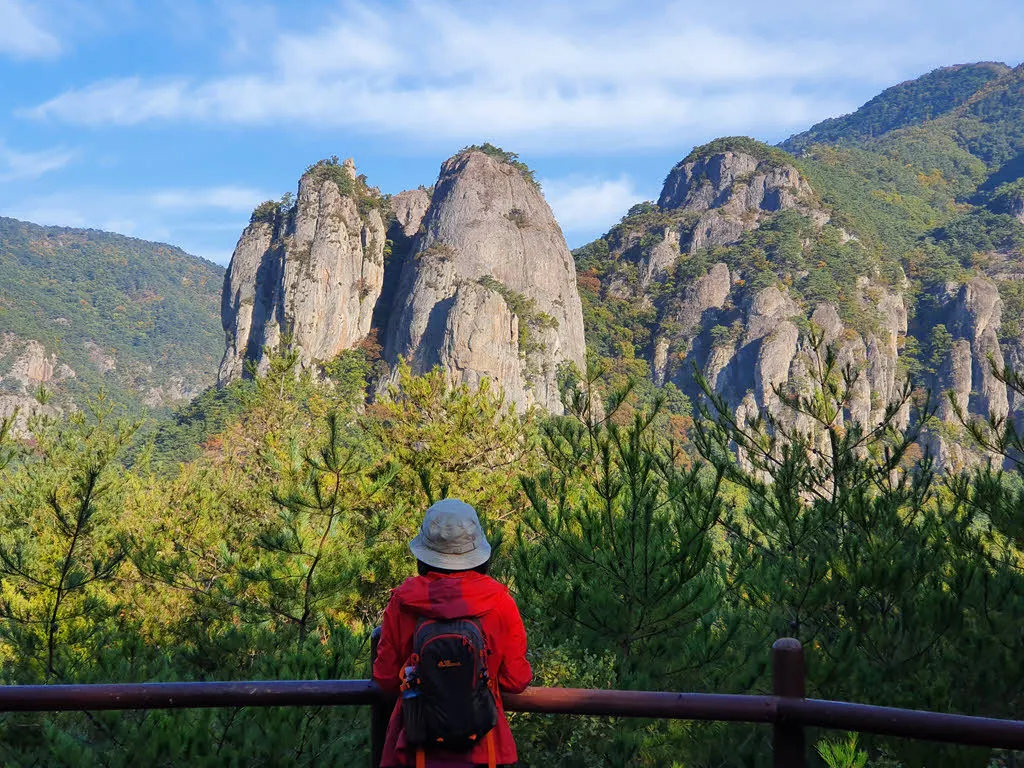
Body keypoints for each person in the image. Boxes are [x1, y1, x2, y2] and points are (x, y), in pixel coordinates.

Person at [373, 498, 532, 768]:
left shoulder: (403, 603)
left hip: (415, 750)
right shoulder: (499, 603)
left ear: (424, 554)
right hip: (484, 750)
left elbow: (386, 679)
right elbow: (515, 680)